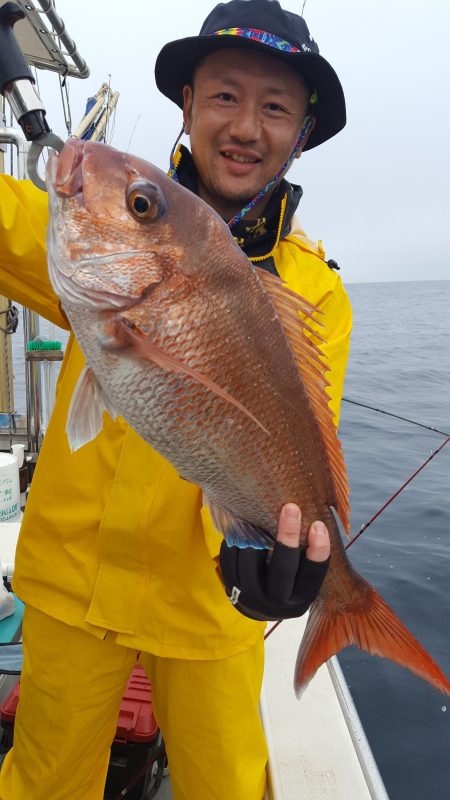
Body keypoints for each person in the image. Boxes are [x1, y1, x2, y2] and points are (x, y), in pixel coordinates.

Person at [0, 1, 351, 798]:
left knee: (226, 783)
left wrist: (287, 554)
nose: (245, 126)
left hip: (209, 602)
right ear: (187, 104)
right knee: (45, 780)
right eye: (225, 96)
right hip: (68, 580)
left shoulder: (316, 293)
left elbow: (303, 446)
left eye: (275, 108)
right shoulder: (106, 234)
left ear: (300, 132)